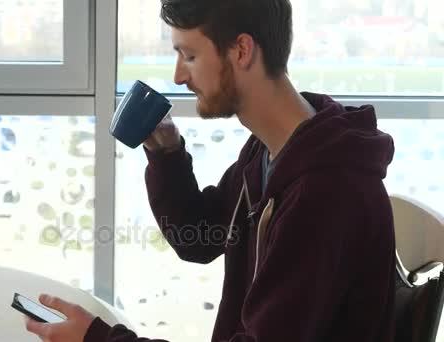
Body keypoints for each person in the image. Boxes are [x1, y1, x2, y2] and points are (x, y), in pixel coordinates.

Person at [24, 0, 396, 341]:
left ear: (241, 50)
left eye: (189, 55)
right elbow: (198, 238)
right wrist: (167, 154)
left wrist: (99, 339)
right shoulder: (272, 152)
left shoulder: (325, 191)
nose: (178, 76)